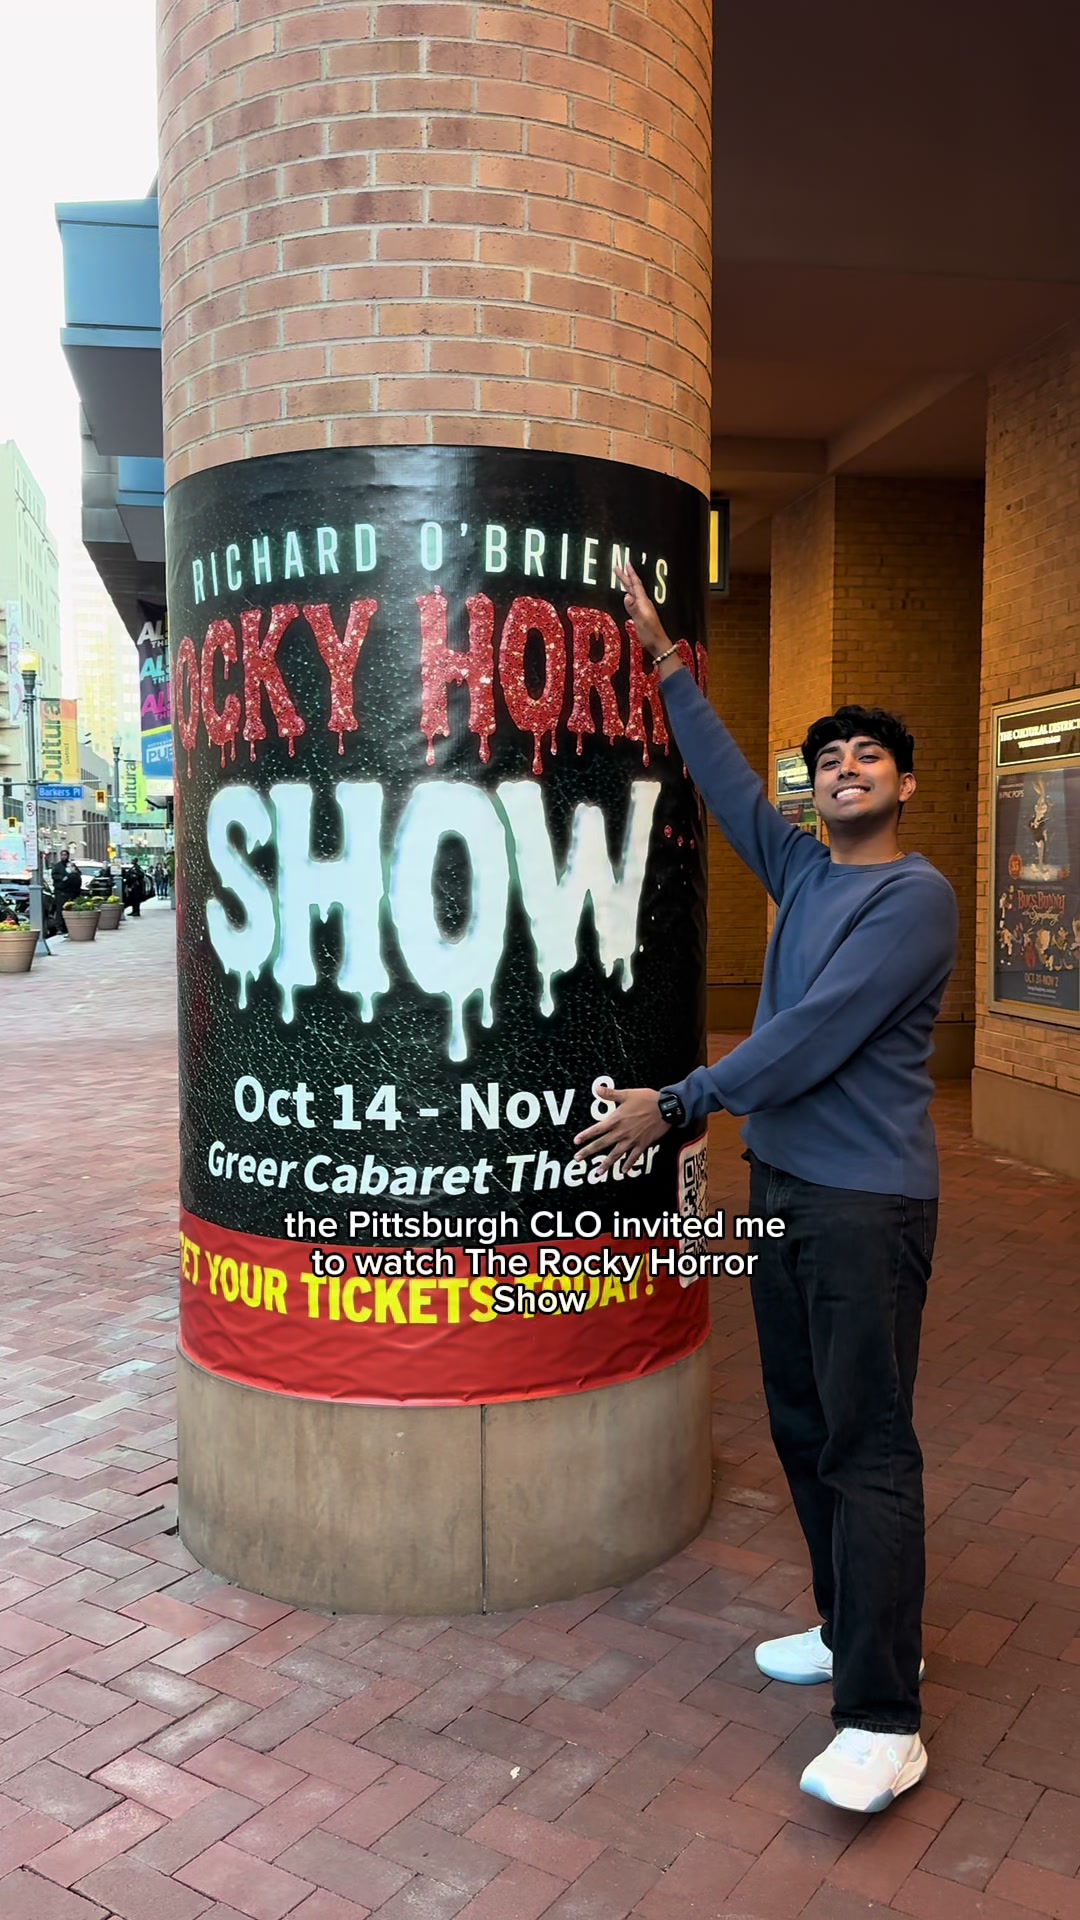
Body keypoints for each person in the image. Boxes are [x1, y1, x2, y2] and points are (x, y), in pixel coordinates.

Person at [574, 559, 958, 1817]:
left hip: (866, 1207)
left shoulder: (913, 898)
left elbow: (815, 1034)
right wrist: (662, 657)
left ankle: (885, 1717)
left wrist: (683, 1101)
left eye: (867, 758)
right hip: (787, 1189)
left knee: (866, 1443)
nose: (844, 770)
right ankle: (852, 1630)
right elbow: (727, 783)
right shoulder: (801, 874)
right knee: (803, 1427)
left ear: (903, 786)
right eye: (828, 760)